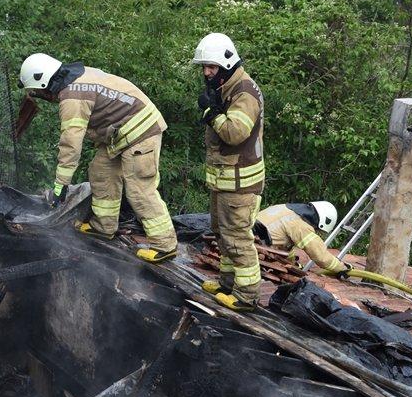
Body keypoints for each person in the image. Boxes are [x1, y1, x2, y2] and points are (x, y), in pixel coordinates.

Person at [18, 52, 178, 263]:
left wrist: (61, 185)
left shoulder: (72, 96)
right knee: (101, 171)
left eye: (39, 92)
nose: (43, 97)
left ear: (45, 81)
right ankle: (104, 227)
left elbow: (71, 144)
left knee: (139, 188)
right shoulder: (75, 78)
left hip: (142, 132)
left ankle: (164, 245)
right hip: (122, 134)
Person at [193, 33, 265, 311]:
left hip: (240, 184)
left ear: (227, 63)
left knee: (237, 238)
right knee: (222, 233)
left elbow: (235, 133)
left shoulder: (244, 92)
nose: (207, 73)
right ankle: (227, 283)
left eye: (211, 67)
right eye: (204, 67)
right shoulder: (226, 86)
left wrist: (212, 114)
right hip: (225, 180)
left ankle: (246, 296)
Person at [254, 201, 349, 276]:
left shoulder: (285, 208)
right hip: (257, 249)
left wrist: (292, 264)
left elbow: (281, 243)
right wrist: (341, 268)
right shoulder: (301, 225)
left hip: (247, 237)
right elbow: (320, 256)